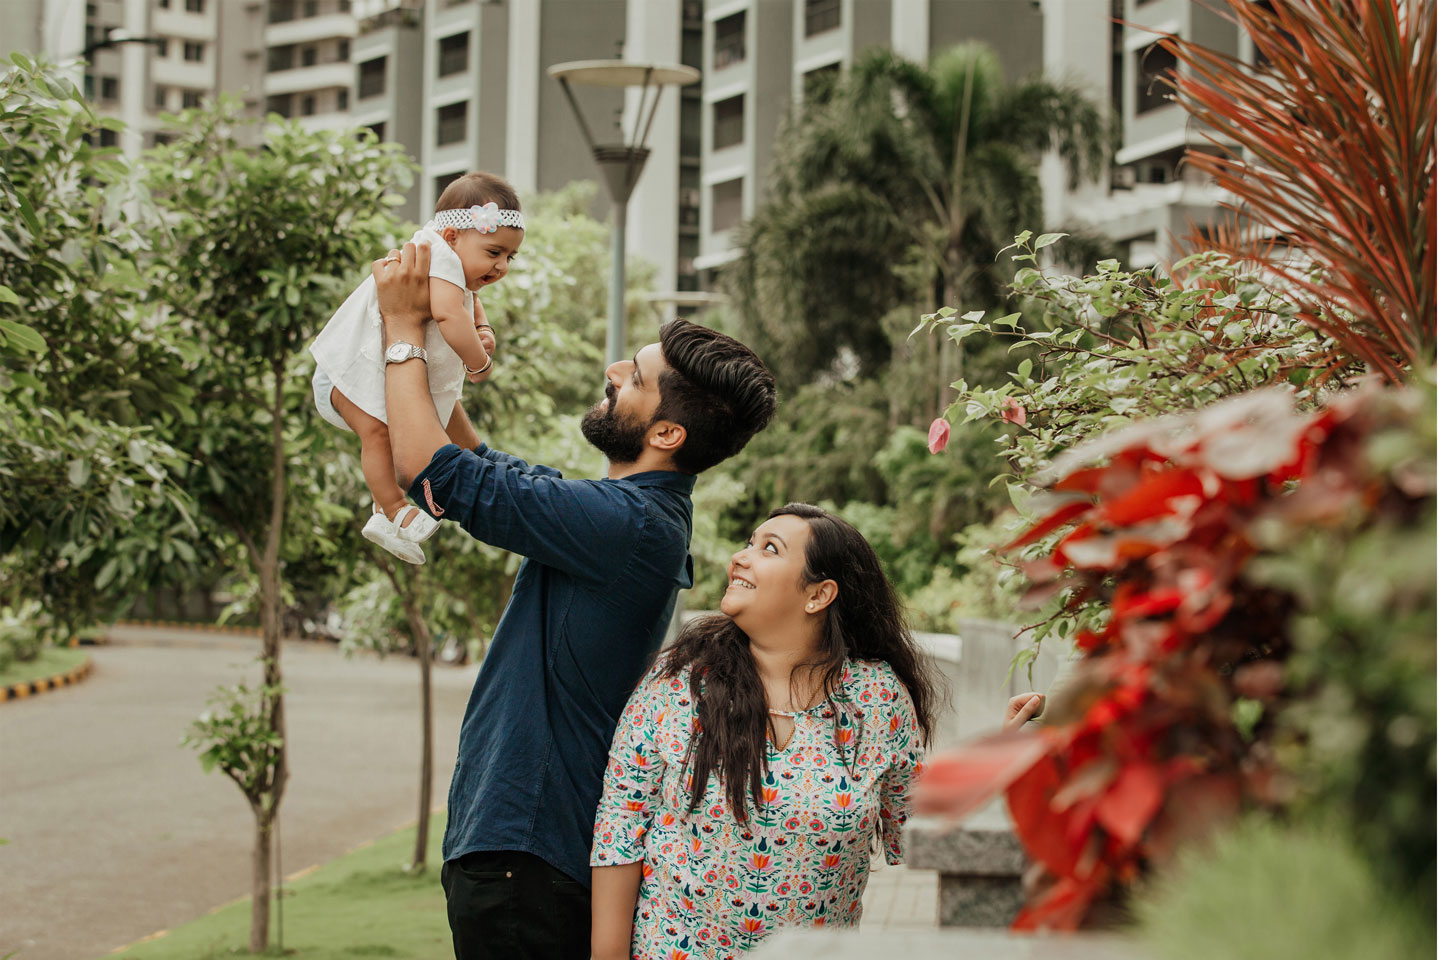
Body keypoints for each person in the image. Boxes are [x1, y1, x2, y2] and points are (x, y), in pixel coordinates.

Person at [371, 240, 778, 960]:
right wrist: (438, 350)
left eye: (638, 376)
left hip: (526, 856)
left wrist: (402, 333)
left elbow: (429, 472)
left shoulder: (626, 524)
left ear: (666, 433)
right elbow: (482, 465)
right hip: (523, 853)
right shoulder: (629, 515)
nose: (614, 371)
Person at [589, 503, 945, 959]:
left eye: (768, 549)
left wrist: (1002, 759)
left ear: (818, 595)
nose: (740, 556)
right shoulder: (680, 682)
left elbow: (917, 831)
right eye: (748, 543)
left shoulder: (876, 699)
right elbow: (621, 825)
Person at [310, 171, 523, 564]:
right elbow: (447, 313)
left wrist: (483, 327)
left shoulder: (455, 264)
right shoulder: (434, 252)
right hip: (344, 372)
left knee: (391, 429)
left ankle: (381, 518)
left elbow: (469, 301)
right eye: (494, 253)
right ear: (453, 236)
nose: (502, 266)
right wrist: (480, 362)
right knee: (377, 432)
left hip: (375, 369)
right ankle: (392, 506)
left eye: (510, 256)